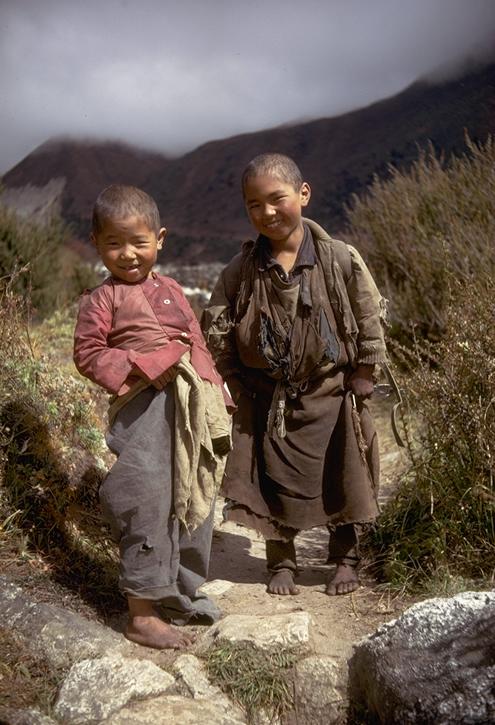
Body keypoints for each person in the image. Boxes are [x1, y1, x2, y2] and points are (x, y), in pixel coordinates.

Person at [202, 153, 387, 597]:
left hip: (333, 390)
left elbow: (368, 318)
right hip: (268, 397)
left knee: (344, 471)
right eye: (254, 205)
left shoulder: (340, 259)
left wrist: (364, 373)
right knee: (271, 480)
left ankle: (344, 557)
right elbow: (216, 323)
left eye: (276, 199)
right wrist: (234, 376)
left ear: (303, 195)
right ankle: (281, 561)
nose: (266, 213)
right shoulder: (242, 269)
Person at [73, 184, 232, 650]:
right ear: (96, 243)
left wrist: (214, 385)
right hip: (142, 410)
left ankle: (177, 593)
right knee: (146, 494)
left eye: (138, 242)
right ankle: (141, 612)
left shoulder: (173, 289)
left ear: (159, 239)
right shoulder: (101, 300)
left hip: (191, 406)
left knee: (193, 494)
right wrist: (145, 366)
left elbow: (195, 339)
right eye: (113, 244)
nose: (127, 255)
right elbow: (88, 353)